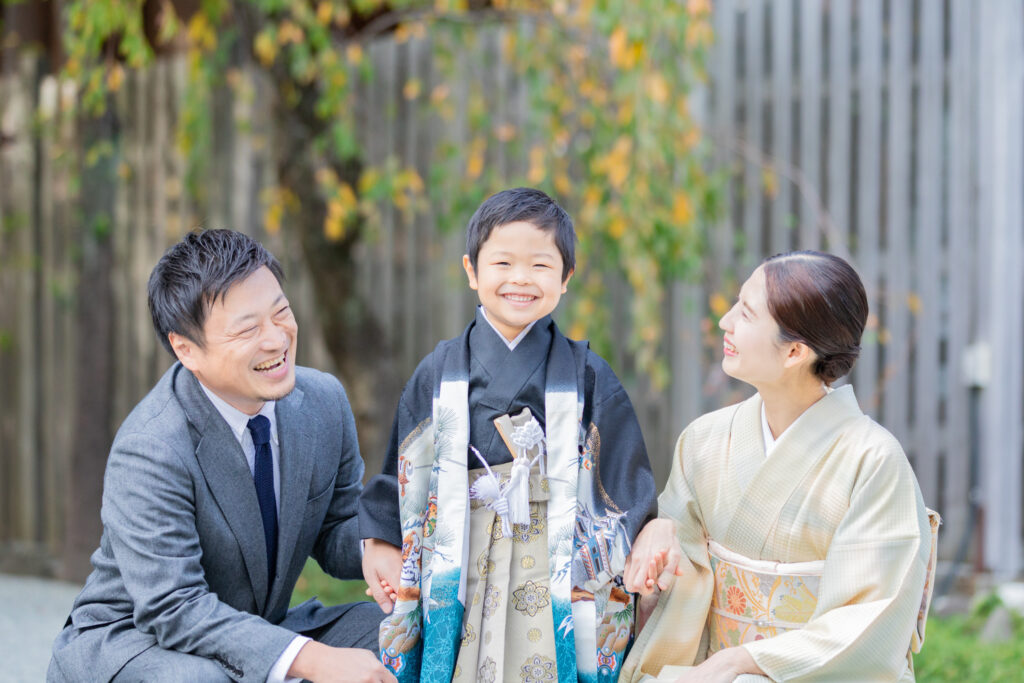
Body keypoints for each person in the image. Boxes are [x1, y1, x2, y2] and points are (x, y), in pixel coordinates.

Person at [48, 229, 395, 683]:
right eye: (248, 329)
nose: (276, 339)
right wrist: (310, 658)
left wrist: (379, 542)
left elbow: (335, 528)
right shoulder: (152, 447)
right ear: (186, 349)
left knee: (399, 637)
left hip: (254, 625)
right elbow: (173, 608)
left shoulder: (324, 401)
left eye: (282, 312)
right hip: (137, 640)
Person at [358, 188, 657, 682]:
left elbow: (622, 480)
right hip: (461, 549)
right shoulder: (439, 371)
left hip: (555, 556)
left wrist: (643, 532)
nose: (520, 279)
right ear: (472, 271)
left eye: (540, 266)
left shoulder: (587, 374)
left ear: (566, 279)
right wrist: (382, 539)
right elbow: (403, 469)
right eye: (502, 263)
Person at [620, 251, 938, 682]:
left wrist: (740, 662)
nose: (725, 321)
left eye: (746, 314)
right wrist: (660, 542)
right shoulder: (705, 440)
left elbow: (869, 623)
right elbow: (682, 575)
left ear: (794, 352)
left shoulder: (873, 461)